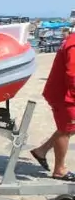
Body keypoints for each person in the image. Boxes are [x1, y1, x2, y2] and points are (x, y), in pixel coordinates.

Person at [30, 32, 75, 181]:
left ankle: (41, 151)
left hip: (61, 92)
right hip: (64, 95)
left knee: (68, 127)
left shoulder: (71, 39)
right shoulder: (73, 44)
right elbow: (72, 74)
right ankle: (59, 170)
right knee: (66, 130)